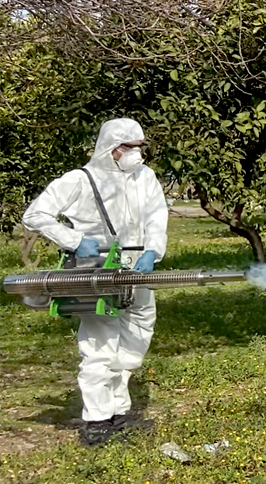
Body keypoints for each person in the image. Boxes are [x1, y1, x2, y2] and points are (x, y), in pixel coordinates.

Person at [21, 118, 168, 446]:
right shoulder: (80, 180)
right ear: (111, 147)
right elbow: (35, 214)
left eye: (139, 148)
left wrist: (153, 251)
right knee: (100, 344)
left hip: (138, 268)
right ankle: (98, 420)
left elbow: (157, 216)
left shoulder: (145, 177)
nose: (136, 155)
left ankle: (119, 410)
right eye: (129, 148)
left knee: (136, 338)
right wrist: (73, 240)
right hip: (95, 267)